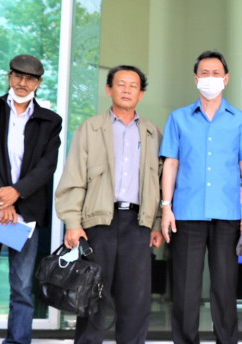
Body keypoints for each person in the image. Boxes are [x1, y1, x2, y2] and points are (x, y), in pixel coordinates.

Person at [55, 65, 163, 344]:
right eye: (121, 84)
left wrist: (157, 223)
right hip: (98, 223)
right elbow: (74, 178)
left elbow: (161, 183)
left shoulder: (152, 133)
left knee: (135, 300)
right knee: (92, 295)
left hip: (138, 224)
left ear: (141, 94)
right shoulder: (90, 129)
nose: (127, 90)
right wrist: (72, 223)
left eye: (133, 86)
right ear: (108, 89)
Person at [160, 50, 242, 344]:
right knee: (185, 289)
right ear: (195, 79)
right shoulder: (178, 118)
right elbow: (171, 164)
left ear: (226, 79)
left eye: (216, 73)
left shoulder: (240, 120)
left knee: (225, 288)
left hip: (227, 214)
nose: (210, 78)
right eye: (204, 73)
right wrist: (166, 207)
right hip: (186, 213)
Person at [0, 54, 62, 344]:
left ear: (39, 83)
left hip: (27, 212)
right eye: (18, 76)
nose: (23, 82)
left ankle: (18, 341)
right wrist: (3, 200)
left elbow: (46, 166)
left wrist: (16, 193)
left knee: (21, 286)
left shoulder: (50, 121)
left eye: (30, 78)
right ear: (9, 76)